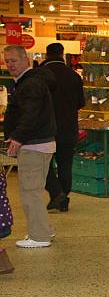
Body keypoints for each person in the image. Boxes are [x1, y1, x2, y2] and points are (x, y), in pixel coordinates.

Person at [3, 45, 57, 248]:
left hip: (33, 145)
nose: (10, 65)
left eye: (14, 60)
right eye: (7, 61)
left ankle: (39, 236)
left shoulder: (30, 84)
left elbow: (30, 115)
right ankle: (46, 230)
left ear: (25, 59)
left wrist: (17, 137)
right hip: (41, 144)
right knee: (35, 190)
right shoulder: (31, 81)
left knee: (30, 192)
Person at [42, 42, 85, 212]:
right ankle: (63, 195)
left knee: (43, 164)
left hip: (45, 129)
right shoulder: (74, 76)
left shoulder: (41, 75)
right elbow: (81, 102)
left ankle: (57, 193)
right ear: (62, 54)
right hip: (69, 127)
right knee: (65, 164)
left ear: (46, 54)